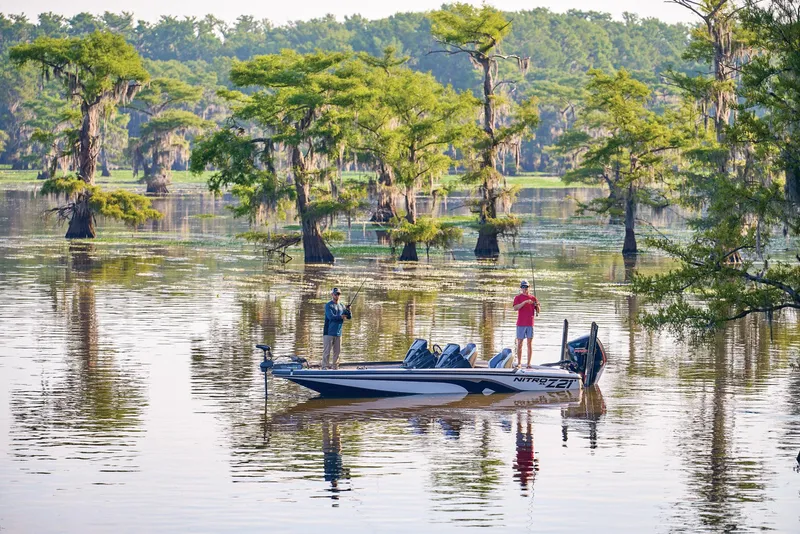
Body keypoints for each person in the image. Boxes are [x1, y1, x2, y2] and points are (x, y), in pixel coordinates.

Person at [322, 287, 352, 369]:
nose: (337, 296)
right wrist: (341, 316)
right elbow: (331, 317)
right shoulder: (328, 305)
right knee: (327, 352)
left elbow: (349, 317)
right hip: (328, 333)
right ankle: (324, 367)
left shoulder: (342, 306)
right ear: (332, 295)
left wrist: (348, 310)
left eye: (338, 294)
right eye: (335, 294)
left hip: (338, 333)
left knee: (337, 353)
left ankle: (335, 368)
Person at [512, 279, 540, 368]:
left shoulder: (533, 298)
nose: (525, 289)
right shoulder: (518, 298)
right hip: (520, 323)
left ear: (529, 287)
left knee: (529, 343)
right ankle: (519, 363)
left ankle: (528, 363)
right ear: (521, 288)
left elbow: (538, 311)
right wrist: (524, 302)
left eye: (526, 287)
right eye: (523, 287)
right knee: (519, 343)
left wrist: (536, 305)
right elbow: (515, 308)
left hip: (530, 324)